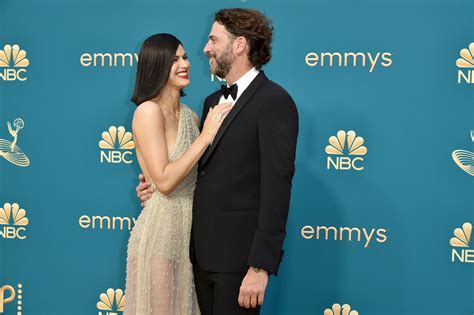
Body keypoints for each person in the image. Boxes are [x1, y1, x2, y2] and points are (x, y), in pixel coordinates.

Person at [137, 8, 299, 314]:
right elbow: (196, 169)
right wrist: (152, 183)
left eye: (213, 39)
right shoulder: (211, 103)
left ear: (239, 45)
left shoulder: (274, 101)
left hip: (239, 263)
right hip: (198, 255)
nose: (205, 48)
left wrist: (260, 267)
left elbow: (277, 189)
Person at [124, 33, 232, 315]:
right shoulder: (148, 112)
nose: (184, 64)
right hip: (161, 232)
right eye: (174, 60)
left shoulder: (190, 117)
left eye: (184, 57)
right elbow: (165, 181)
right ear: (157, 65)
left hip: (194, 236)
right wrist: (206, 136)